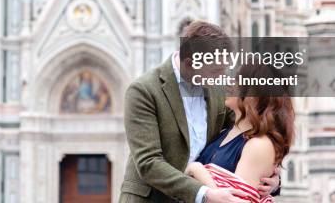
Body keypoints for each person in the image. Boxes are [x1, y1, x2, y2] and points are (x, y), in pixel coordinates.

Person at [119, 21, 280, 203]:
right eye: (216, 71)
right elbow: (148, 163)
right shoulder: (143, 91)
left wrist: (272, 178)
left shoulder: (218, 89)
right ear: (189, 63)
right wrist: (206, 193)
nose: (222, 76)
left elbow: (248, 130)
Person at [185, 62, 295, 202]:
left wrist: (196, 169)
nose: (230, 84)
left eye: (238, 80)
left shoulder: (259, 144)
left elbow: (233, 200)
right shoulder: (225, 131)